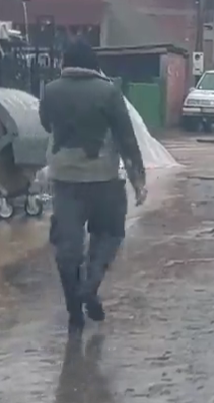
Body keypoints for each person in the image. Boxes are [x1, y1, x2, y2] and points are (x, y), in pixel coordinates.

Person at [39, 40, 147, 335]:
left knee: (67, 246)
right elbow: (126, 138)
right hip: (103, 179)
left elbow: (46, 125)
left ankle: (74, 309)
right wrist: (139, 181)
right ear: (92, 63)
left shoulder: (50, 90)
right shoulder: (109, 91)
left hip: (64, 179)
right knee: (109, 233)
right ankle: (90, 286)